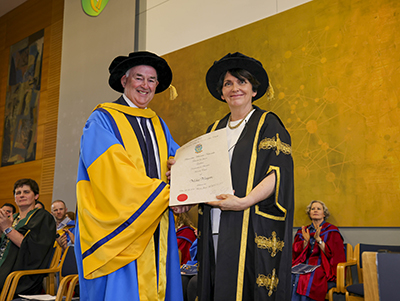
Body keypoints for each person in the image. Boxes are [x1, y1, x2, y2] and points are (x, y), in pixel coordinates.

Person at [75, 51, 182, 301]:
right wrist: (168, 194)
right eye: (139, 78)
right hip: (118, 225)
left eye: (152, 80)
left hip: (155, 222)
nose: (145, 85)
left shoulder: (158, 124)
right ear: (124, 80)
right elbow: (114, 175)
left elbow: (177, 160)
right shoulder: (102, 119)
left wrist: (184, 189)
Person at [196, 52, 294, 301]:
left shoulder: (268, 124)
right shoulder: (214, 130)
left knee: (245, 289)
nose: (235, 88)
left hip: (250, 222)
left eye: (242, 82)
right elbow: (202, 175)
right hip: (215, 223)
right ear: (221, 93)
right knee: (218, 287)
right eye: (228, 83)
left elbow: (277, 173)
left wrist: (244, 201)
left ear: (253, 90)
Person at [0, 179, 56, 296]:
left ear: (36, 196)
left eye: (26, 192)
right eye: (18, 193)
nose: (21, 195)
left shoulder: (43, 217)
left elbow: (33, 248)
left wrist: (8, 229)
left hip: (21, 274)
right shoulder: (13, 217)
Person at [291, 200, 346, 301]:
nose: (315, 210)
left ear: (324, 214)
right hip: (304, 264)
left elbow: (334, 254)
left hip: (323, 266)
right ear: (309, 213)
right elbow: (295, 253)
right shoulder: (303, 231)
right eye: (313, 209)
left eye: (318, 209)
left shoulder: (332, 231)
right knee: (291, 275)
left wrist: (319, 240)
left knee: (306, 277)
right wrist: (306, 242)